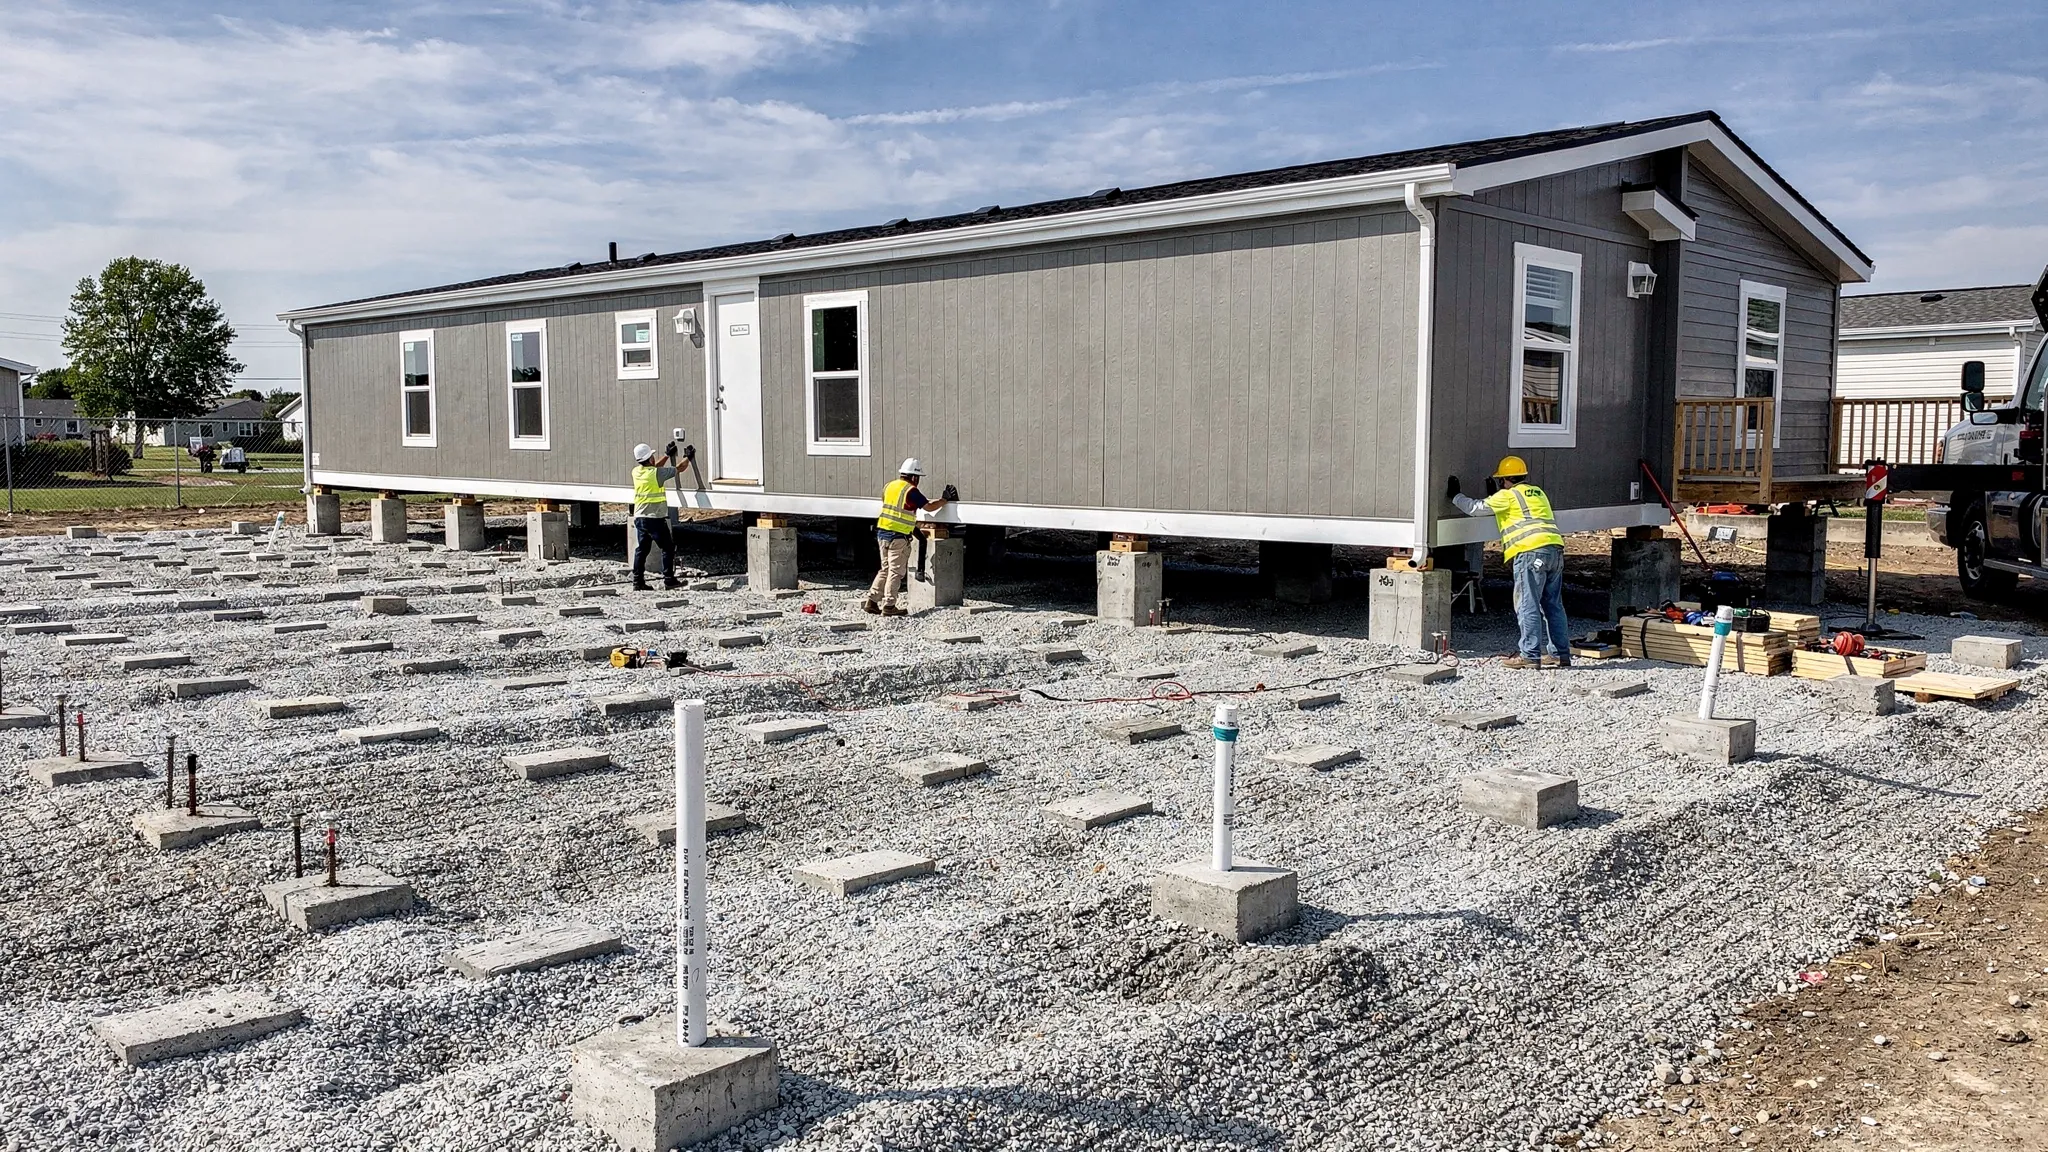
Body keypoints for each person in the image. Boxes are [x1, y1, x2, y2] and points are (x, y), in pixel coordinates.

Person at [1448, 455, 1569, 669]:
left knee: (1527, 604)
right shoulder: (1537, 493)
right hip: (1555, 551)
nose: (1500, 484)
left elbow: (1476, 508)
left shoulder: (1508, 495)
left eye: (1501, 481)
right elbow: (1522, 513)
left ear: (1506, 479)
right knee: (1553, 605)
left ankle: (1530, 655)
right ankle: (1560, 654)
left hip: (1530, 553)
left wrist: (1456, 496)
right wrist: (1497, 495)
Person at [865, 458, 952, 616]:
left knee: (885, 569)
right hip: (897, 537)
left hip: (882, 533)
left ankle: (872, 601)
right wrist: (944, 499)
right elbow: (930, 508)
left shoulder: (889, 486)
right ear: (914, 477)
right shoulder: (911, 491)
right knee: (895, 572)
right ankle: (889, 605)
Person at [629, 440, 684, 591]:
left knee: (642, 549)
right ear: (650, 458)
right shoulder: (657, 473)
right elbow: (679, 468)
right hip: (655, 518)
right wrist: (688, 457)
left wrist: (667, 455)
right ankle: (669, 580)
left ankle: (637, 582)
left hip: (640, 517)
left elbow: (653, 469)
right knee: (667, 547)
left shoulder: (636, 472)